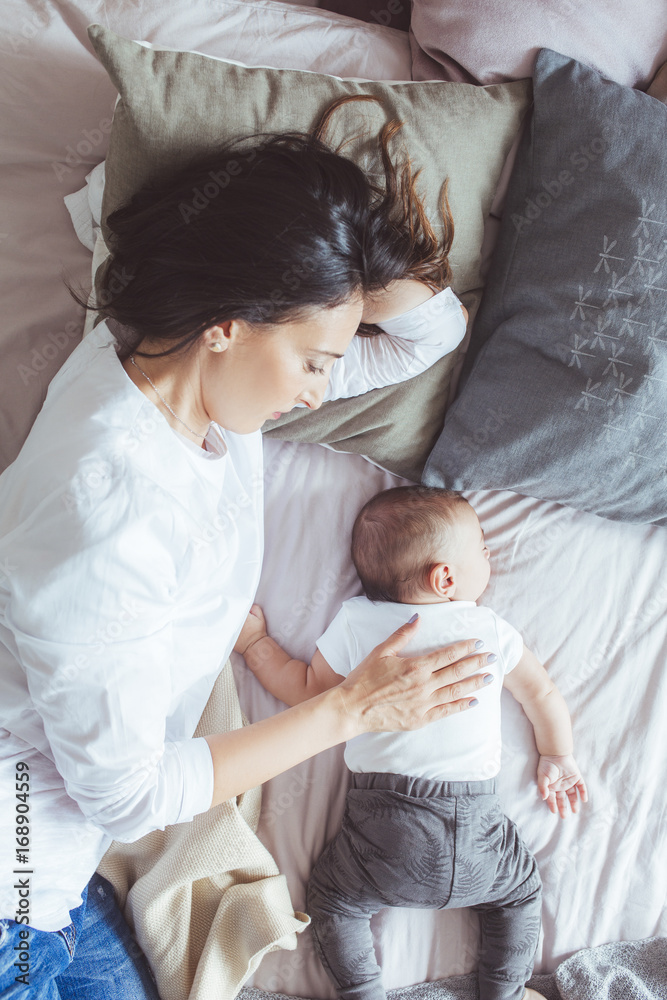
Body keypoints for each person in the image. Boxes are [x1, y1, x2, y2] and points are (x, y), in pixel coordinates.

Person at [0, 96, 495, 998]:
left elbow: (427, 337)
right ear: (228, 322)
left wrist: (342, 268)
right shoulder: (108, 516)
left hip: (47, 878)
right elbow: (128, 796)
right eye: (314, 361)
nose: (317, 391)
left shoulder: (163, 362)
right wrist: (351, 710)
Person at [235, 486, 588, 1000]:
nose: (489, 553)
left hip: (385, 833)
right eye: (482, 547)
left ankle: (365, 992)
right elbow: (541, 693)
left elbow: (307, 691)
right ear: (445, 578)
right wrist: (557, 754)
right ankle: (506, 992)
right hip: (478, 830)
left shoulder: (357, 622)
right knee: (520, 894)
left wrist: (255, 646)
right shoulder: (487, 627)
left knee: (332, 902)